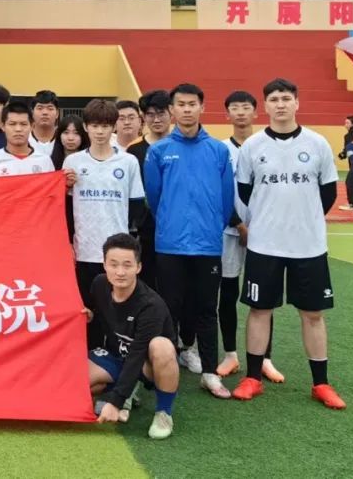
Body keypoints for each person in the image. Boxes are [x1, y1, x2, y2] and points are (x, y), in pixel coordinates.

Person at [232, 78, 346, 410]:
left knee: (313, 313)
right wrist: (271, 218)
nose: (280, 104)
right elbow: (245, 192)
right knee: (259, 310)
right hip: (264, 244)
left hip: (308, 246)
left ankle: (321, 383)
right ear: (265, 106)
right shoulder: (253, 147)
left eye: (286, 98)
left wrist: (302, 220)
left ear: (297, 103)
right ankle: (253, 378)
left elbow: (328, 193)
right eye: (274, 99)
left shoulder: (318, 144)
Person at [144, 83, 234, 400]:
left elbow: (226, 199)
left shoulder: (219, 151)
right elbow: (154, 198)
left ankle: (210, 373)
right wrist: (172, 223)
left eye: (192, 104)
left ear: (201, 107)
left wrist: (210, 227)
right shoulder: (158, 151)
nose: (186, 109)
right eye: (180, 104)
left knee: (207, 308)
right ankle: (166, 369)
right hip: (170, 245)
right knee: (170, 307)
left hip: (207, 245)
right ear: (172, 110)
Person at [65, 100, 145, 349]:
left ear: (114, 127)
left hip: (115, 254)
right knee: (86, 309)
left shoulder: (128, 162)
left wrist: (126, 238)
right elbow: (64, 207)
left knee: (115, 309)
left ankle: (114, 355)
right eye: (95, 126)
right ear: (86, 127)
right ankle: (88, 355)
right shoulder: (73, 163)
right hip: (84, 250)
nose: (100, 132)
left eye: (105, 126)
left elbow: (136, 205)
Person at [217, 91, 285, 382]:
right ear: (227, 114)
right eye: (235, 108)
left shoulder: (268, 146)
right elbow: (219, 192)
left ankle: (265, 358)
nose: (241, 112)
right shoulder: (220, 149)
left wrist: (260, 226)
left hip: (264, 233)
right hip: (229, 231)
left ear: (257, 112)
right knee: (228, 293)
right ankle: (230, 354)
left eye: (246, 107)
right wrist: (238, 224)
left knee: (264, 297)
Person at [86, 233, 179, 441]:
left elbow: (137, 354)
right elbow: (99, 313)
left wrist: (115, 402)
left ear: (138, 267)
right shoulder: (99, 284)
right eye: (113, 264)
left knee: (161, 346)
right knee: (78, 384)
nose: (120, 272)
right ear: (104, 264)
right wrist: (90, 315)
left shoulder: (151, 305)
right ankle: (125, 390)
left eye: (127, 265)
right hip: (116, 356)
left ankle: (164, 412)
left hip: (147, 364)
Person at [124, 89, 171, 291]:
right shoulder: (133, 150)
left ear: (171, 113)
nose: (156, 119)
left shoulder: (180, 145)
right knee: (147, 281)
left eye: (161, 113)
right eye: (150, 114)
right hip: (146, 228)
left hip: (175, 226)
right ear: (143, 117)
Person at [0, 100, 55, 177]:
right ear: (3, 126)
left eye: (23, 124)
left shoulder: (45, 161)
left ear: (32, 126)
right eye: (12, 124)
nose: (18, 129)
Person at [51, 114, 89, 243]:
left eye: (76, 133)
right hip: (59, 216)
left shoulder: (90, 161)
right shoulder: (50, 162)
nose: (71, 138)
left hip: (84, 214)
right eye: (66, 132)